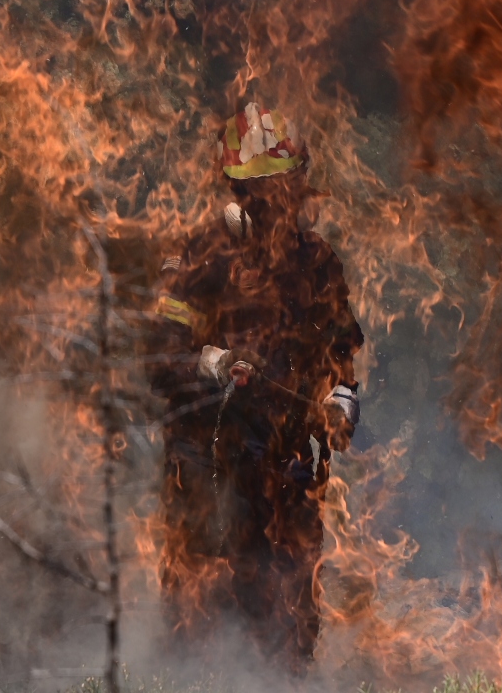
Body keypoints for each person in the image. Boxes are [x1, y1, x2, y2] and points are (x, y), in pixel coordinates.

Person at [147, 102, 364, 671]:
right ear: (243, 192)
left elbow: (341, 353)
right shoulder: (199, 256)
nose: (287, 200)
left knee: (290, 618)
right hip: (209, 467)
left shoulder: (316, 262)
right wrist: (216, 363)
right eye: (273, 190)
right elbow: (160, 357)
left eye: (293, 184)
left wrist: (341, 401)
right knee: (200, 611)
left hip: (288, 469)